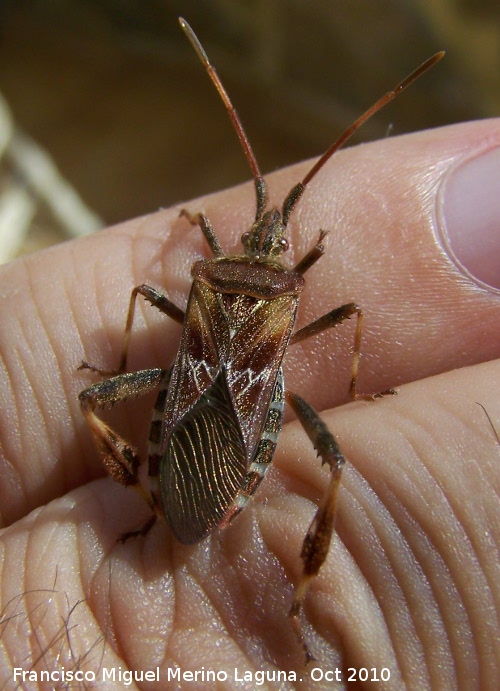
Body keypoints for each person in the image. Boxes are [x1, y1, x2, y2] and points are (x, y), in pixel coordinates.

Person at [0, 119, 499, 686]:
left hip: (189, 394)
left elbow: (143, 293)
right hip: (251, 415)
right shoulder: (289, 284)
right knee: (334, 467)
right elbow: (353, 314)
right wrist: (354, 386)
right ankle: (294, 599)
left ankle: (148, 500)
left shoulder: (209, 272)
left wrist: (126, 360)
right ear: (285, 254)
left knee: (95, 398)